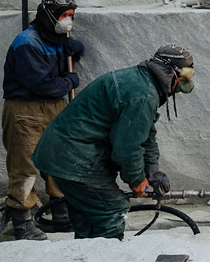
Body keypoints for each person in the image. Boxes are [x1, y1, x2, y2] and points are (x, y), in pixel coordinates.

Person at [32, 44, 195, 240]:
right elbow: (127, 149)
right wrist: (136, 180)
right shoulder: (142, 95)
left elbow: (146, 134)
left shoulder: (141, 81)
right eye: (181, 82)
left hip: (62, 153)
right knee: (111, 210)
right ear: (170, 74)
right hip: (75, 157)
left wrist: (152, 171)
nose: (178, 90)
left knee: (87, 218)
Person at [1, 0, 85, 240]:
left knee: (57, 161)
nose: (67, 21)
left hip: (53, 108)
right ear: (49, 16)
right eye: (63, 16)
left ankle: (60, 212)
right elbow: (44, 84)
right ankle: (22, 222)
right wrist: (69, 80)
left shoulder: (55, 37)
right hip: (26, 110)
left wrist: (73, 51)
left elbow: (58, 66)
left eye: (70, 16)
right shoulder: (27, 42)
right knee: (24, 167)